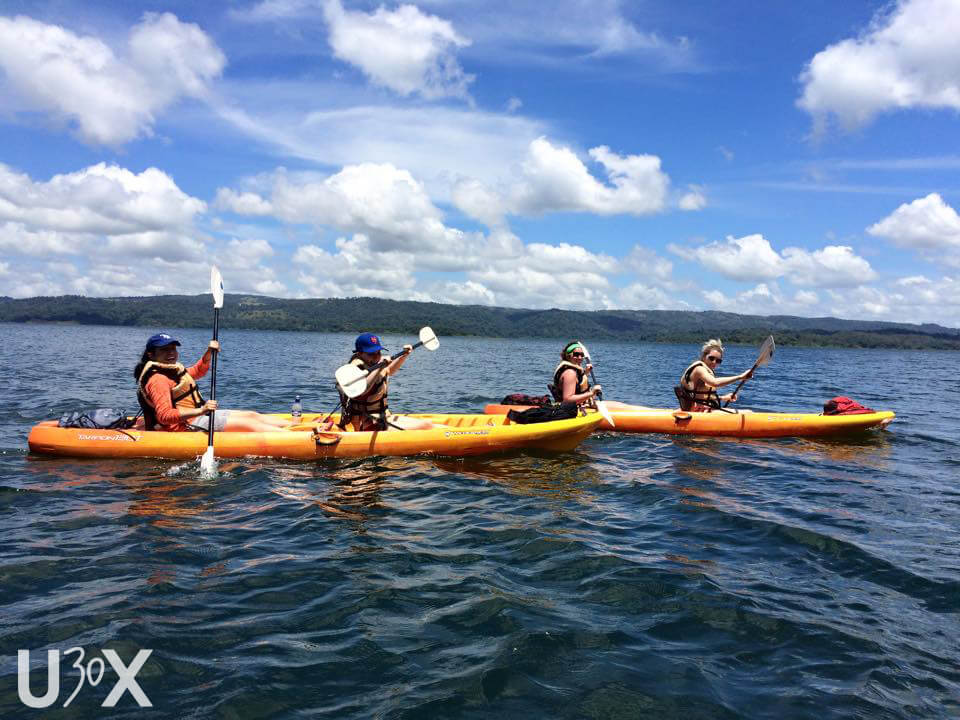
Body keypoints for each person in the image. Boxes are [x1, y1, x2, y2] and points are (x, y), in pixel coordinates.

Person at [134, 333, 295, 432]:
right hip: (186, 425)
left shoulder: (170, 370)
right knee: (249, 425)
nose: (171, 353)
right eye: (164, 350)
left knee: (252, 415)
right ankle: (298, 437)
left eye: (173, 349)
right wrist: (201, 411)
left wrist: (208, 353)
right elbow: (164, 416)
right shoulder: (158, 380)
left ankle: (296, 427)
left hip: (198, 415)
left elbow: (197, 372)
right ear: (151, 354)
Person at [336, 332, 434, 431]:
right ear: (360, 353)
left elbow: (389, 371)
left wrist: (404, 356)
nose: (376, 356)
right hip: (369, 423)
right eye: (371, 353)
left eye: (378, 352)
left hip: (381, 417)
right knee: (427, 426)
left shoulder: (374, 364)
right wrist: (379, 367)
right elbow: (363, 389)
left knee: (430, 424)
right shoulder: (355, 369)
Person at [676, 338, 753, 412]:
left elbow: (701, 397)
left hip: (703, 410)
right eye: (711, 358)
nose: (714, 362)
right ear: (703, 356)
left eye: (718, 360)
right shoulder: (699, 369)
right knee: (749, 413)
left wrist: (724, 398)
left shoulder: (706, 370)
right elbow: (714, 382)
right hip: (697, 412)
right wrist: (740, 377)